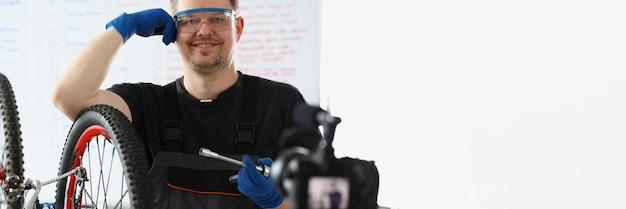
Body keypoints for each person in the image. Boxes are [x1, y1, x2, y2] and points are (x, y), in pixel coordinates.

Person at [51, 0, 317, 208]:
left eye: (217, 18)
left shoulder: (283, 103)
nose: (204, 30)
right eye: (190, 20)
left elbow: (330, 199)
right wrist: (123, 28)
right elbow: (69, 97)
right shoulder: (146, 104)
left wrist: (278, 203)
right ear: (173, 31)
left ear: (237, 28)